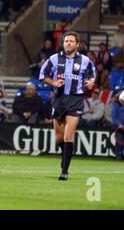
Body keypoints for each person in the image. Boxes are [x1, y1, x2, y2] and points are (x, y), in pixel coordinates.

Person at [39, 31, 96, 181]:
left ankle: (64, 171)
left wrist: (90, 82)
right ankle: (64, 157)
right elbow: (42, 75)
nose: (68, 43)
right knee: (59, 138)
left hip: (75, 99)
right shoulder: (54, 58)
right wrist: (53, 83)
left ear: (77, 44)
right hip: (58, 99)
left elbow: (92, 75)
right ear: (63, 43)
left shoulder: (85, 60)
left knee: (68, 135)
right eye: (66, 41)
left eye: (71, 41)